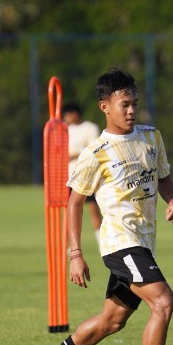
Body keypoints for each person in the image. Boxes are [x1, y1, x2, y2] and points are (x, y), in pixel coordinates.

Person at [29, 69, 173, 345]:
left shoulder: (151, 137)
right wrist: (75, 253)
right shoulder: (95, 152)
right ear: (105, 106)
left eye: (135, 103)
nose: (131, 110)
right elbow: (74, 202)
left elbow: (163, 176)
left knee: (111, 321)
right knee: (163, 301)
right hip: (119, 242)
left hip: (143, 243)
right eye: (124, 104)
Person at [63, 102, 103, 245]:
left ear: (76, 114)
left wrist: (73, 155)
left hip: (87, 174)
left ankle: (101, 242)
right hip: (69, 176)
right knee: (70, 211)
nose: (66, 118)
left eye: (68, 114)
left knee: (93, 209)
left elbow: (94, 149)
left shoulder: (90, 128)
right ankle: (70, 246)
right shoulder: (66, 129)